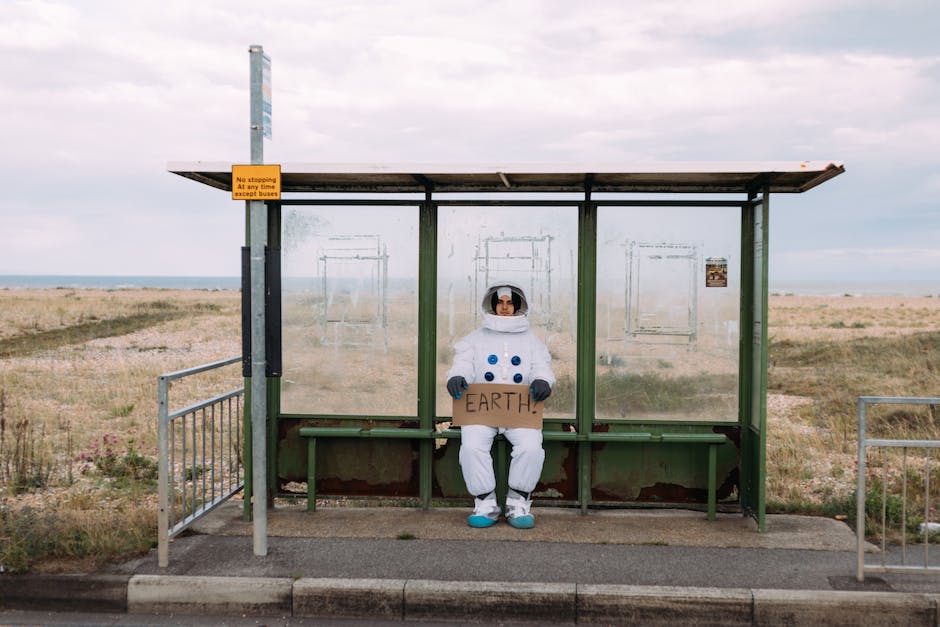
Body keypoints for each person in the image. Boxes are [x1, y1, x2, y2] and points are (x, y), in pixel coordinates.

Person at [445, 281, 555, 529]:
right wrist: (457, 376)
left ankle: (519, 501)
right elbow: (464, 362)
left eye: (509, 303)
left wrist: (542, 381)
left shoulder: (531, 341)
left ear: (517, 306)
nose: (504, 308)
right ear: (492, 304)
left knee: (531, 448)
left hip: (520, 411)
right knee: (472, 446)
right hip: (482, 411)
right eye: (500, 303)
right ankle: (485, 502)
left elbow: (542, 366)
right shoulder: (475, 339)